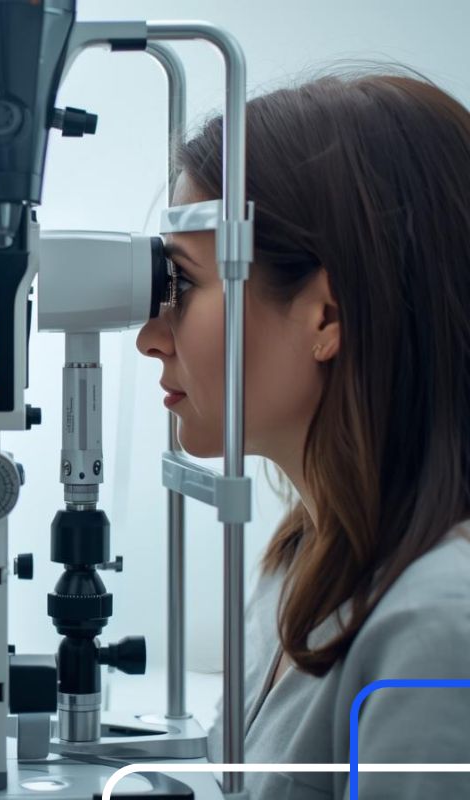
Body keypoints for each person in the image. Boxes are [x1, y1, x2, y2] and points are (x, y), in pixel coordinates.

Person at [138, 70, 470, 799]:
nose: (149, 337)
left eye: (184, 285)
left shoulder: (439, 625)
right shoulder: (302, 558)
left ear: (325, 317)